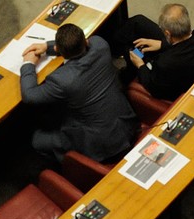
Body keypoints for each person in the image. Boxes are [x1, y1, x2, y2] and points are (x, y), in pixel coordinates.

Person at [19, 23, 138, 163]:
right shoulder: (101, 45)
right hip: (127, 125)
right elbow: (90, 41)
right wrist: (47, 46)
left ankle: (68, 168)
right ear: (86, 41)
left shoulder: (62, 79)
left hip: (101, 145)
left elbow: (30, 96)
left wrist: (28, 64)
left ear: (58, 49)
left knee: (37, 140)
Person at [112, 3, 194, 102]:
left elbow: (153, 88)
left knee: (129, 49)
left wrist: (140, 65)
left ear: (167, 34)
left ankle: (125, 77)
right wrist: (162, 44)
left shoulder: (165, 63)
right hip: (182, 58)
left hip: (174, 83)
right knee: (139, 22)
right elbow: (189, 41)